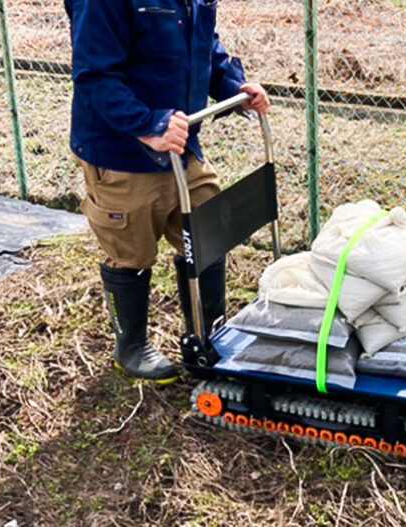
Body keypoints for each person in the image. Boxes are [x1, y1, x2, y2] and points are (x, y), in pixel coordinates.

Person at [65, 0, 270, 384]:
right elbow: (95, 76)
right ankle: (131, 347)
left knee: (207, 231)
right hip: (123, 150)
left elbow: (205, 46)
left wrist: (233, 86)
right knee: (132, 252)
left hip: (180, 143)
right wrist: (148, 125)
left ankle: (208, 334)